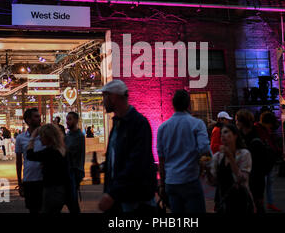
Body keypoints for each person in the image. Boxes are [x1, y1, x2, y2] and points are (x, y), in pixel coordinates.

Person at [98, 80, 157, 214]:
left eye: (105, 96)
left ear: (114, 97)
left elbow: (136, 163)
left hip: (136, 200)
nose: (103, 101)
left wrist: (112, 193)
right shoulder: (118, 124)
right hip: (120, 198)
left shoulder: (139, 123)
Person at [157, 89, 211, 213]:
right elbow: (205, 149)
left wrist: (162, 185)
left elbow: (161, 159)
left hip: (171, 181)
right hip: (190, 179)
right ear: (188, 104)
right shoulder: (197, 124)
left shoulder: (162, 128)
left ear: (173, 104)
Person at [204, 123, 255, 213]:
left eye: (226, 132)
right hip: (222, 200)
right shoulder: (218, 157)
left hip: (240, 200)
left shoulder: (244, 154)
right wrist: (206, 169)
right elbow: (213, 182)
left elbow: (242, 179)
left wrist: (230, 158)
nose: (223, 135)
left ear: (235, 135)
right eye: (221, 134)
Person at [26, 124, 70, 213]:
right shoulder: (62, 149)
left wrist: (32, 138)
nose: (40, 139)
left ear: (48, 137)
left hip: (51, 190)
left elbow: (30, 155)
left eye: (42, 136)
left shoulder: (50, 152)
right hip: (61, 189)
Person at [236, 109, 269, 214]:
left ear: (242, 122)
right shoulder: (240, 137)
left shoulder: (254, 141)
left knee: (256, 206)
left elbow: (260, 166)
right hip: (246, 180)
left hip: (255, 180)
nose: (236, 123)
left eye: (237, 120)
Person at [15, 108, 45, 213]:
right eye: (36, 116)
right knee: (33, 210)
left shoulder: (45, 136)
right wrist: (20, 183)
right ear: (28, 120)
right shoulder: (20, 138)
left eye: (39, 116)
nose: (39, 118)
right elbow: (18, 162)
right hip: (29, 179)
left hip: (45, 179)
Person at [256, 111, 283, 212]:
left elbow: (271, 145)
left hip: (267, 162)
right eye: (270, 125)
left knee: (267, 184)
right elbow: (270, 145)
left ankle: (269, 203)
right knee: (263, 185)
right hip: (263, 163)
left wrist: (278, 152)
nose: (271, 127)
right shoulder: (259, 131)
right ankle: (262, 204)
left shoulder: (263, 130)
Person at [65, 111, 86, 213]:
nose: (67, 122)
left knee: (72, 200)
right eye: (67, 119)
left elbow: (69, 151)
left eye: (70, 119)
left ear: (76, 120)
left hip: (74, 170)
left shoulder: (79, 136)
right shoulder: (68, 135)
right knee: (70, 200)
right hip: (69, 170)